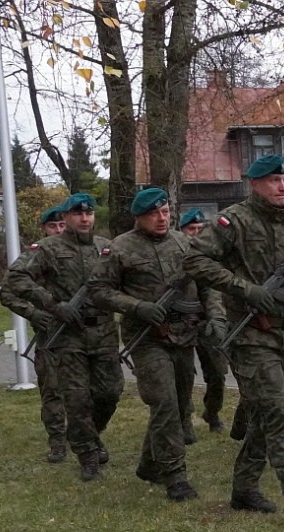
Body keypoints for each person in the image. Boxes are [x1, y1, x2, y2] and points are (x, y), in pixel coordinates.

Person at [185, 154, 284, 528]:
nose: (282, 187)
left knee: (264, 418)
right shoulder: (233, 221)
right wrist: (245, 289)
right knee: (279, 417)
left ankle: (243, 488)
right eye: (273, 181)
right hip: (251, 336)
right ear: (254, 183)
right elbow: (195, 260)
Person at [89, 189, 215, 501]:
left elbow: (207, 283)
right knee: (165, 403)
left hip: (185, 334)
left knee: (180, 403)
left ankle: (148, 464)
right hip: (147, 338)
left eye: (165, 212)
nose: (162, 218)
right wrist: (137, 306)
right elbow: (98, 291)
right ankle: (175, 475)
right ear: (139, 216)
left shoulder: (184, 242)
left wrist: (216, 317)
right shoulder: (120, 248)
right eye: (154, 214)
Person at [1, 193, 123, 480]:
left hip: (104, 331)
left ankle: (89, 434)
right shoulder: (47, 249)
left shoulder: (107, 247)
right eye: (78, 214)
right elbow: (15, 279)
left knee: (110, 392)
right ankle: (87, 456)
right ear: (66, 217)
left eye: (89, 213)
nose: (84, 219)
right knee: (77, 398)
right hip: (69, 335)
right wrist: (53, 306)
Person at [12, 205, 69, 462]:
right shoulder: (34, 256)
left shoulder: (82, 252)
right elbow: (8, 292)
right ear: (43, 229)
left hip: (83, 333)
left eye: (61, 226)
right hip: (50, 336)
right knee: (52, 391)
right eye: (52, 226)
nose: (58, 231)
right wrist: (35, 314)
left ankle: (86, 437)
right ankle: (57, 441)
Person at [178, 209, 229, 433]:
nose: (196, 234)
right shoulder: (175, 256)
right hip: (181, 323)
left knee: (217, 373)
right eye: (191, 230)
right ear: (182, 232)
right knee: (184, 375)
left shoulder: (215, 257)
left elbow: (215, 291)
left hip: (209, 321)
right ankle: (185, 420)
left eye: (201, 230)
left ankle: (212, 412)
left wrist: (217, 318)